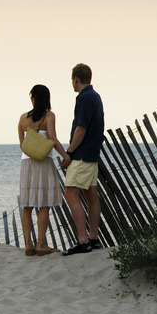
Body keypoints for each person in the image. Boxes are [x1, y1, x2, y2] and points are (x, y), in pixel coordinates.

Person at [18, 84, 71, 256]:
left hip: (26, 164)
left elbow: (22, 146)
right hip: (43, 162)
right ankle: (41, 244)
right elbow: (53, 139)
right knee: (45, 204)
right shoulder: (49, 116)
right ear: (47, 98)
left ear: (33, 98)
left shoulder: (22, 118)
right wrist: (66, 156)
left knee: (27, 204)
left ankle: (28, 244)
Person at [61, 63, 104, 255]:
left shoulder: (84, 98)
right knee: (90, 194)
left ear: (76, 79)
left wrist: (69, 152)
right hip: (93, 153)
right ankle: (93, 239)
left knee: (71, 194)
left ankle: (83, 241)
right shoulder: (96, 97)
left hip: (81, 154)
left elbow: (81, 128)